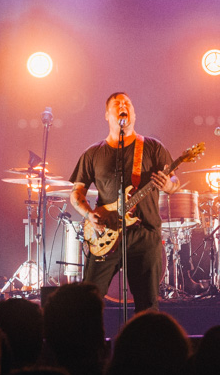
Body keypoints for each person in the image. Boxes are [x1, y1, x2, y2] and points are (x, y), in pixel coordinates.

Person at [68, 92, 179, 311]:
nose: (123, 106)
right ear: (107, 115)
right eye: (117, 104)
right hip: (105, 234)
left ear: (134, 114)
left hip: (145, 235)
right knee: (87, 302)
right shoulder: (93, 153)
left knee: (147, 306)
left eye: (127, 103)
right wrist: (90, 215)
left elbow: (174, 180)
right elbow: (76, 193)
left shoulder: (153, 147)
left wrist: (168, 185)